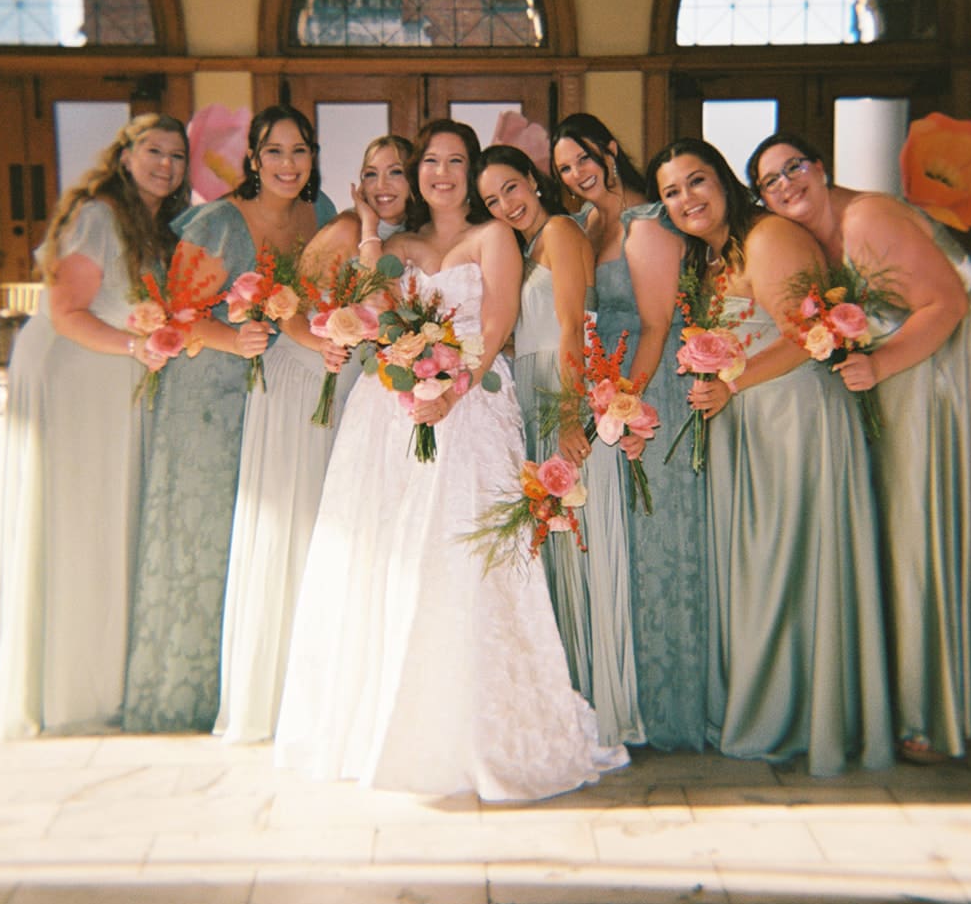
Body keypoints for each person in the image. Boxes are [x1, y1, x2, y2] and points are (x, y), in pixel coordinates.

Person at [273, 119, 628, 800]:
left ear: (471, 173)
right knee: (390, 556)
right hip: (388, 414)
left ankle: (477, 730)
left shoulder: (492, 237)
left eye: (454, 161)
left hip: (471, 406)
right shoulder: (397, 243)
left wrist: (453, 389)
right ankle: (382, 723)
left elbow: (495, 324)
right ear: (412, 174)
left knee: (468, 560)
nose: (441, 173)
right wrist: (374, 238)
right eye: (428, 161)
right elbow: (377, 314)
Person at [748, 131, 971, 762]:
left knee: (915, 535)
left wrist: (877, 368)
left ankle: (924, 716)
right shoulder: (811, 236)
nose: (786, 183)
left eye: (794, 167)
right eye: (770, 181)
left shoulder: (866, 217)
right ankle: (905, 700)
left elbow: (947, 303)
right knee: (899, 537)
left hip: (947, 375)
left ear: (820, 168)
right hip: (905, 377)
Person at [650, 137, 894, 777]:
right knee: (762, 574)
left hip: (795, 420)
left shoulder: (768, 239)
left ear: (725, 182)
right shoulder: (709, 260)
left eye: (697, 181)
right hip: (750, 426)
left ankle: (796, 718)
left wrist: (730, 382)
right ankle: (769, 706)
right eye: (672, 192)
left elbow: (814, 338)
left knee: (792, 566)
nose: (687, 200)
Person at [0, 113, 190, 738]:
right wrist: (135, 348)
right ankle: (66, 689)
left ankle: (101, 678)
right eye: (154, 151)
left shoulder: (158, 221)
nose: (165, 165)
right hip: (72, 374)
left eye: (177, 155)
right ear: (125, 155)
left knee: (103, 521)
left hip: (111, 375)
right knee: (74, 523)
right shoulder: (99, 213)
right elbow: (66, 311)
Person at [123, 106, 328, 733]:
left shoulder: (314, 218)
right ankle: (195, 693)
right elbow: (173, 315)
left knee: (265, 541)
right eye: (274, 152)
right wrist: (227, 339)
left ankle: (262, 682)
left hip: (280, 403)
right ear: (253, 160)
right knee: (209, 535)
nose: (288, 165)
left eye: (299, 151)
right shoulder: (217, 222)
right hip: (208, 398)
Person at [214, 134, 412, 743]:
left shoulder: (409, 240)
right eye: (372, 172)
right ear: (356, 183)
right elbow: (289, 307)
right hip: (306, 383)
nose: (383, 185)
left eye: (396, 172)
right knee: (297, 524)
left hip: (355, 396)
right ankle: (271, 699)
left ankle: (325, 691)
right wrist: (316, 343)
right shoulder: (349, 228)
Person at [476, 144, 645, 746]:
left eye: (511, 188)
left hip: (564, 390)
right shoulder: (528, 247)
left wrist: (573, 411)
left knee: (584, 546)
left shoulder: (562, 231)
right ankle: (568, 695)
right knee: (559, 547)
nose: (506, 204)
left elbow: (577, 324)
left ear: (534, 179)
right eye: (493, 200)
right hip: (536, 392)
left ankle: (605, 708)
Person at [550, 113, 704, 751]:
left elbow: (656, 325)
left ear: (609, 149)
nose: (578, 174)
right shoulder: (589, 224)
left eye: (583, 158)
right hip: (605, 387)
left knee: (656, 541)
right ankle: (619, 692)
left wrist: (622, 406)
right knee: (620, 549)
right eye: (563, 169)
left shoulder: (647, 221)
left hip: (646, 389)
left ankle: (667, 705)